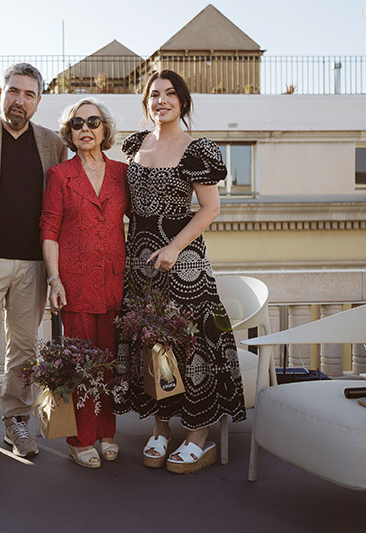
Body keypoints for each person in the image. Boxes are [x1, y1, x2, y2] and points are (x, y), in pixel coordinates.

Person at [115, 70, 246, 474]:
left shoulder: (197, 149)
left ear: (183, 102)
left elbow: (211, 208)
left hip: (184, 263)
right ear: (146, 103)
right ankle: (161, 427)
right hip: (140, 266)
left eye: (170, 94)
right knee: (151, 345)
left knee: (191, 346)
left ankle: (198, 435)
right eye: (154, 94)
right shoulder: (136, 145)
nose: (162, 100)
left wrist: (174, 247)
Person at [0, 64, 68, 457]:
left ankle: (16, 421)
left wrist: (57, 273)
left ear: (38, 102)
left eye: (29, 95)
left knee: (23, 350)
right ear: (0, 93)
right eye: (14, 91)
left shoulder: (53, 143)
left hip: (34, 265)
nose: (20, 100)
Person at [39, 98, 128, 468]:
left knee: (108, 361)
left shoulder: (122, 173)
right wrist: (54, 279)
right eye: (77, 124)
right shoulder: (60, 175)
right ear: (69, 132)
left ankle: (107, 432)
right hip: (74, 282)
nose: (85, 129)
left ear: (105, 129)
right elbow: (49, 229)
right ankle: (81, 439)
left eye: (93, 121)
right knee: (82, 362)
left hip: (114, 282)